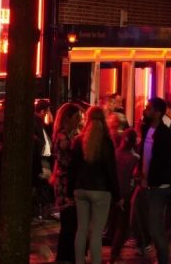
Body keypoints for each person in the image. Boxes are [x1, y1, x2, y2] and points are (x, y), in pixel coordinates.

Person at [68, 107, 119, 264]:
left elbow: (72, 169)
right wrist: (117, 195)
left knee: (81, 229)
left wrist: (71, 191)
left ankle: (79, 261)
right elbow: (111, 170)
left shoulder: (78, 141)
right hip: (100, 190)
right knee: (96, 232)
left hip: (81, 188)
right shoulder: (107, 143)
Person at [136, 97, 171, 264]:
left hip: (158, 187)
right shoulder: (146, 129)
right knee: (138, 220)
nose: (145, 110)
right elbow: (145, 156)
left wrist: (156, 178)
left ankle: (163, 259)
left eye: (149, 108)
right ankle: (148, 249)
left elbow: (169, 163)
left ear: (158, 112)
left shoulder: (167, 135)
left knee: (155, 227)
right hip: (144, 185)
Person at [52, 102, 84, 263]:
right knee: (69, 221)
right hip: (65, 183)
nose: (79, 120)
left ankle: (66, 256)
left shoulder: (71, 135)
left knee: (71, 222)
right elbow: (67, 160)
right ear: (68, 118)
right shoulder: (63, 136)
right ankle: (66, 256)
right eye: (77, 117)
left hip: (66, 181)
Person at [110, 129, 140, 264]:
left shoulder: (115, 154)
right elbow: (135, 177)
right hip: (127, 194)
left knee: (114, 224)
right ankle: (114, 256)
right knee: (123, 226)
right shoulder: (135, 158)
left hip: (114, 192)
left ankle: (115, 254)